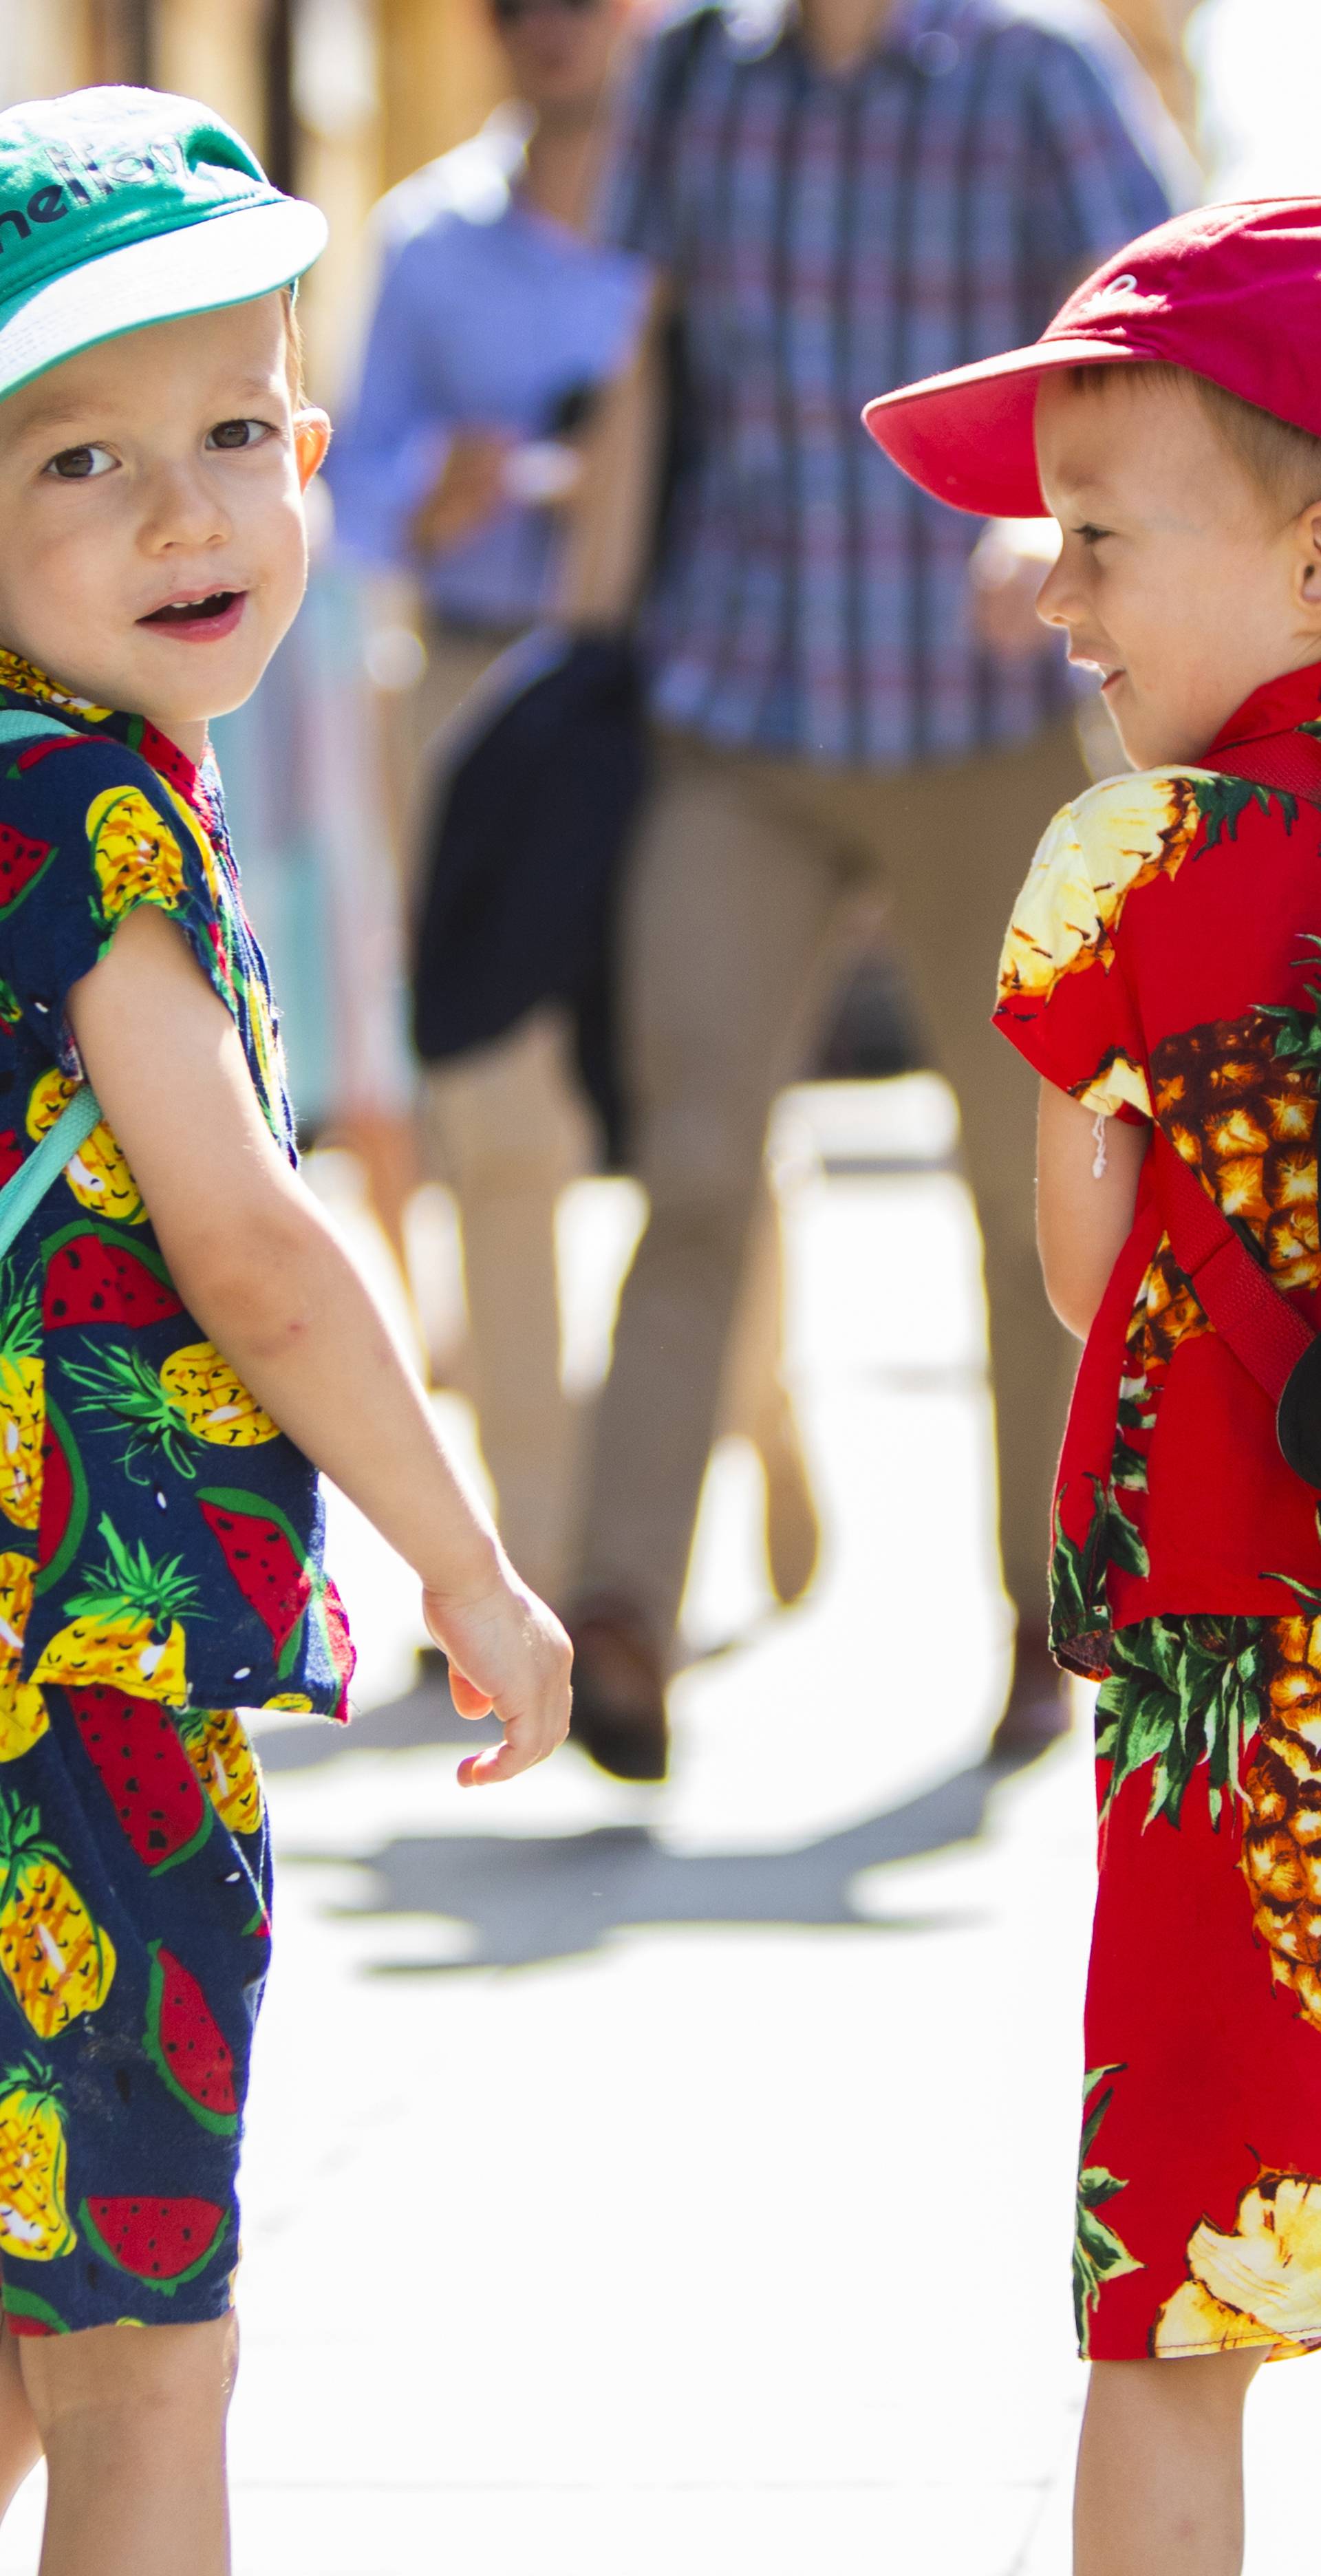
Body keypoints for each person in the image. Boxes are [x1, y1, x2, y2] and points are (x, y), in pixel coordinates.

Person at [0, 86, 569, 2575]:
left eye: (231, 432)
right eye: (83, 460)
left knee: (29, 2344)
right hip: (72, 1695)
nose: (185, 514)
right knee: (144, 2364)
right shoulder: (91, 824)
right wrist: (463, 1554)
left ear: (317, 448)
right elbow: (247, 1246)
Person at [561, 0, 1183, 1779]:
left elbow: (1166, 339)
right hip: (737, 710)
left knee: (1029, 1192)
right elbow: (646, 367)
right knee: (688, 1167)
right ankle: (619, 1614)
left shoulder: (1040, 73)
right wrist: (579, 657)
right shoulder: (687, 74)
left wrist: (1068, 531)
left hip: (984, 711)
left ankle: (1048, 1617)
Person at [866, 198, 1321, 2570]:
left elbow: (1080, 1271)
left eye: (1101, 542)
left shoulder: (1130, 865)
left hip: (1237, 1687)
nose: (1055, 601)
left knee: (1185, 2314)